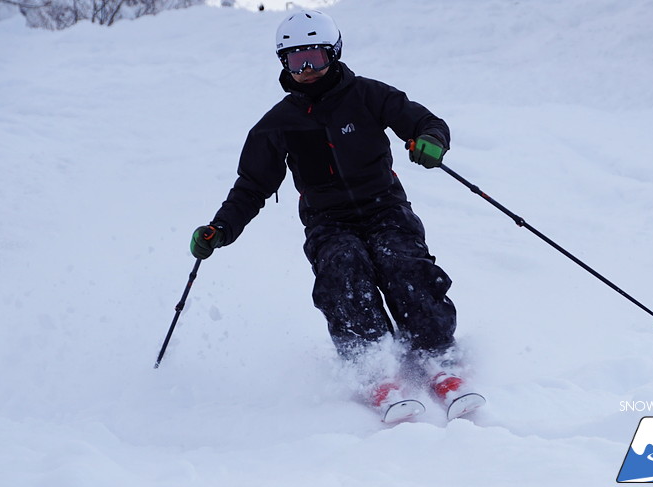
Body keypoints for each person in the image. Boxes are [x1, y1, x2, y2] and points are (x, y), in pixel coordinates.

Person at [191, 10, 473, 419]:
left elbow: (424, 121)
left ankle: (438, 358)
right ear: (282, 63)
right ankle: (372, 366)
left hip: (386, 209)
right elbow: (251, 186)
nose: (306, 69)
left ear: (334, 54)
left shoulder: (369, 96)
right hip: (328, 222)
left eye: (315, 58)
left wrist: (430, 140)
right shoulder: (278, 124)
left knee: (403, 262)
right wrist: (221, 228)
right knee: (343, 267)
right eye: (295, 60)